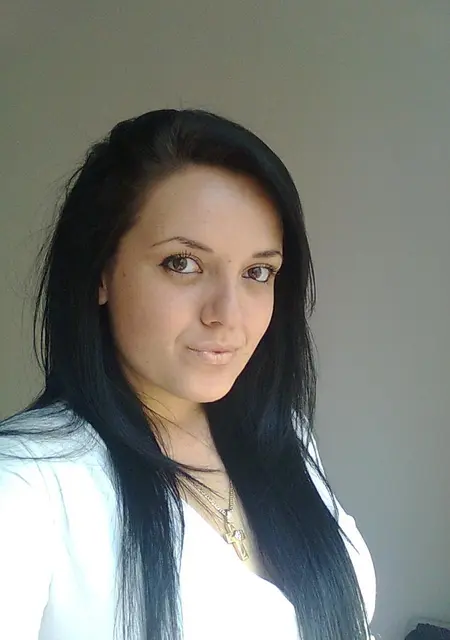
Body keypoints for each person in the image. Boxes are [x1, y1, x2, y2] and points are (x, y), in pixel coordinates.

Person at [0, 108, 377, 640]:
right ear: (100, 272)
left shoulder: (282, 436)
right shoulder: (27, 485)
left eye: (257, 272)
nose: (227, 314)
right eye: (183, 263)